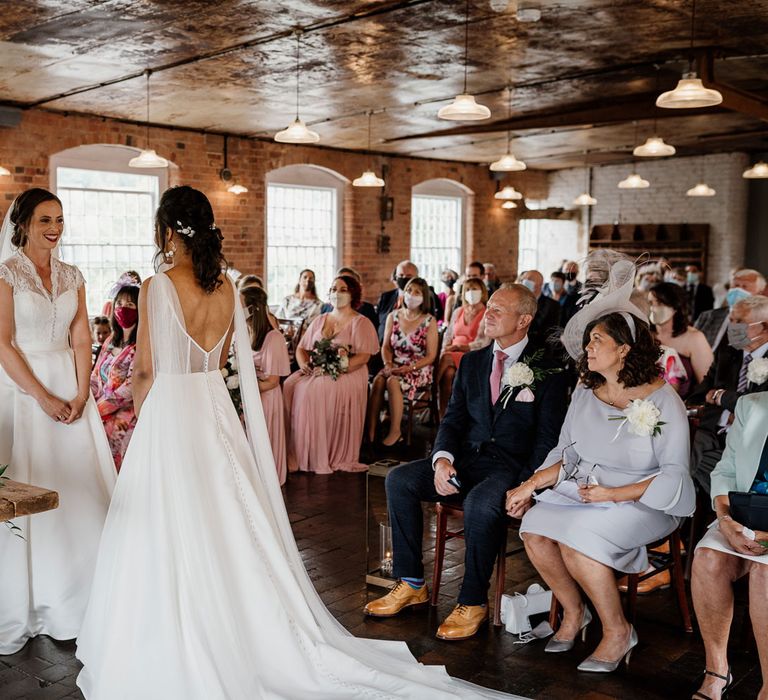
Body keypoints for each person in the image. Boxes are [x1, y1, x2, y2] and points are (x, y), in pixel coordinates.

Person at [77, 185, 513, 699]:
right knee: (227, 519)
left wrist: (146, 426)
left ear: (168, 230)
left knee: (168, 521)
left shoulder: (156, 286)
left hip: (170, 410)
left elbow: (146, 370)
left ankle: (175, 625)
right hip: (213, 410)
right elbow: (220, 365)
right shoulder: (225, 291)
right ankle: (239, 618)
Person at [507, 261, 695, 673]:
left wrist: (614, 494)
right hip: (585, 491)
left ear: (624, 349)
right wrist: (530, 485)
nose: (587, 348)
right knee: (535, 528)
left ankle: (618, 630)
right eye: (589, 340)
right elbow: (566, 451)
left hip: (645, 502)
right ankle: (576, 614)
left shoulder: (664, 402)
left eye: (597, 340)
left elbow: (674, 473)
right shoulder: (586, 390)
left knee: (576, 540)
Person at [365, 284, 568, 641]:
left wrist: (528, 487)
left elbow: (548, 438)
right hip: (466, 461)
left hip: (510, 469)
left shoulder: (547, 369)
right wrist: (441, 460)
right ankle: (411, 582)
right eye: (487, 306)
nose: (487, 314)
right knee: (399, 480)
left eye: (497, 310)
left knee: (480, 504)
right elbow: (453, 420)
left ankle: (473, 601)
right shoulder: (473, 362)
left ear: (524, 320)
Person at [0, 188, 116, 654]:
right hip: (24, 391)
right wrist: (42, 396)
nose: (55, 228)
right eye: (46, 219)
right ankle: (33, 601)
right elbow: (3, 343)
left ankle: (88, 595)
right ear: (24, 223)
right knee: (32, 488)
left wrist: (83, 388)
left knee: (81, 493)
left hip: (72, 389)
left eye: (61, 219)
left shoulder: (73, 274)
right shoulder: (6, 274)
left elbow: (83, 334)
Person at [691, 391, 768, 700]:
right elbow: (725, 470)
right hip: (745, 515)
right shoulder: (752, 405)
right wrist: (724, 520)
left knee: (765, 575)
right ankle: (717, 669)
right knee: (708, 558)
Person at [283, 274, 379, 473]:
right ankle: (296, 451)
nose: (337, 293)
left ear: (353, 294)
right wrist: (303, 365)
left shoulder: (360, 322)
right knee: (290, 385)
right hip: (319, 368)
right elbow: (302, 348)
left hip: (348, 372)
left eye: (342, 290)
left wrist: (332, 368)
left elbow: (362, 358)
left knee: (311, 391)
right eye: (334, 289)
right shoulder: (321, 319)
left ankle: (314, 454)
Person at [689, 295, 768, 495]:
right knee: (685, 453)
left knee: (692, 467)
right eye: (731, 321)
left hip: (749, 443)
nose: (732, 327)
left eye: (739, 322)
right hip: (712, 431)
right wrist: (726, 410)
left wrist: (721, 397)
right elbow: (700, 395)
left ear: (764, 327)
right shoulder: (727, 353)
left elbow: (757, 407)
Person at [367, 277, 438, 447]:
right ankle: (371, 431)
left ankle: (395, 430)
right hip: (394, 364)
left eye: (417, 292)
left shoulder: (429, 321)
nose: (411, 295)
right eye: (409, 290)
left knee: (392, 381)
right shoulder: (394, 316)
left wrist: (409, 368)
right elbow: (385, 347)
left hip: (418, 367)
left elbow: (431, 356)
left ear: (423, 297)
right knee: (378, 381)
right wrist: (388, 364)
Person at [242, 285, 290, 485]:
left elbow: (272, 381)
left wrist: (242, 388)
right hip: (249, 393)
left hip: (265, 396)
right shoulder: (243, 331)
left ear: (253, 308)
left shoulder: (273, 338)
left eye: (240, 304)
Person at [90, 282, 140, 471]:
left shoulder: (140, 345)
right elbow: (95, 376)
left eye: (130, 305)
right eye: (119, 303)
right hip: (100, 409)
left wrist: (99, 409)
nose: (122, 309)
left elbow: (129, 387)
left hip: (125, 415)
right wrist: (88, 400)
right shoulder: (111, 340)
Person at [648, 282, 714, 398]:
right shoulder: (645, 334)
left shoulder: (694, 338)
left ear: (675, 307)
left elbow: (706, 384)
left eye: (659, 303)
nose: (653, 308)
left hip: (683, 403)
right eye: (651, 303)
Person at [437, 277, 489, 417]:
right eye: (468, 289)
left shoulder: (486, 314)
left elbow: (483, 343)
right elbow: (448, 335)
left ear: (482, 292)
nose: (471, 292)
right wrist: (446, 347)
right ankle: (444, 416)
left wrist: (458, 347)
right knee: (448, 374)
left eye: (474, 289)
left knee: (447, 357)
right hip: (452, 353)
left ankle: (431, 387)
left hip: (472, 355)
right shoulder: (458, 311)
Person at [695, 268, 766, 350]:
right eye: (736, 286)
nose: (738, 290)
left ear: (759, 293)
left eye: (744, 286)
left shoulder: (761, 323)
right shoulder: (707, 316)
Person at [375, 260, 440, 342]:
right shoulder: (386, 297)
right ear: (396, 277)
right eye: (401, 275)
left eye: (408, 276)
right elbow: (377, 321)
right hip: (382, 343)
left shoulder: (426, 297)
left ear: (416, 277)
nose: (404, 278)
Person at [519, 269, 561, 355]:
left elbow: (551, 334)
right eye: (523, 279)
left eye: (529, 279)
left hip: (538, 352)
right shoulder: (516, 302)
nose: (525, 281)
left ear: (540, 284)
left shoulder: (552, 305)